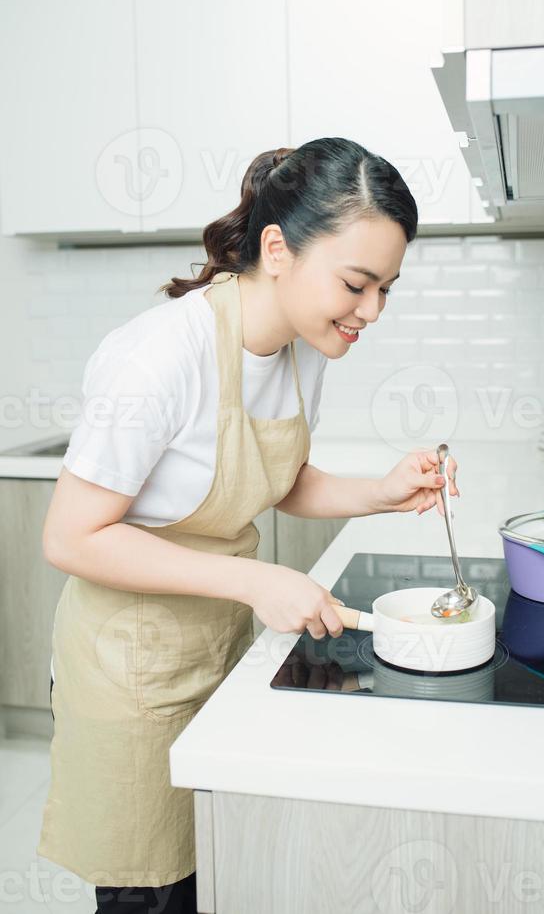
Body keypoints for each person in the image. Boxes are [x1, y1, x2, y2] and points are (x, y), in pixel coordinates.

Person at [37, 137, 458, 912]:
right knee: (153, 891)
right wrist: (251, 577)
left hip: (220, 646)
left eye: (387, 290)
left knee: (221, 869)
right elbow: (70, 536)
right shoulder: (161, 355)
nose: (371, 312)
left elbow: (276, 479)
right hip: (131, 667)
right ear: (277, 249)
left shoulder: (305, 349)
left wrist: (382, 491)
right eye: (357, 284)